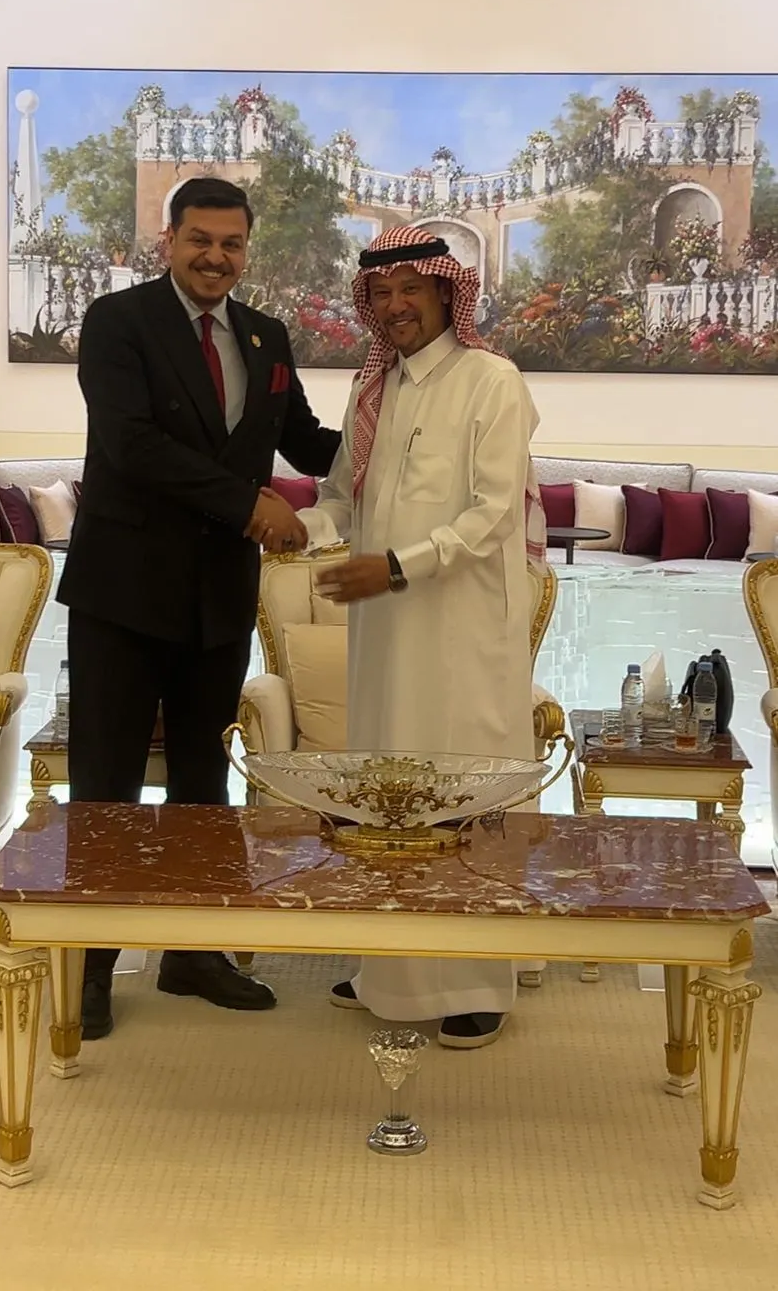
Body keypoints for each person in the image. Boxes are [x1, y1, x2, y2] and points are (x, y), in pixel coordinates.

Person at [58, 176, 341, 1039]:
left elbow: (306, 441)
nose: (216, 257)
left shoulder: (265, 336)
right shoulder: (118, 321)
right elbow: (131, 444)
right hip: (123, 594)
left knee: (202, 783)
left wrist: (409, 431)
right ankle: (91, 967)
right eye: (200, 240)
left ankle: (192, 952)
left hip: (217, 598)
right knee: (105, 786)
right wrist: (248, 504)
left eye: (232, 243)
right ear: (170, 241)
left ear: (247, 248)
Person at [300, 224, 546, 1049]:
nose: (396, 304)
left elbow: (491, 515)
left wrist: (398, 566)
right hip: (384, 631)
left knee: (460, 792)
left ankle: (477, 980)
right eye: (382, 292)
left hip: (461, 634)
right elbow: (343, 499)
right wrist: (294, 529)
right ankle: (390, 966)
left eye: (412, 288)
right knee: (387, 792)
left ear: (447, 291)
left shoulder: (491, 381)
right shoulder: (375, 388)